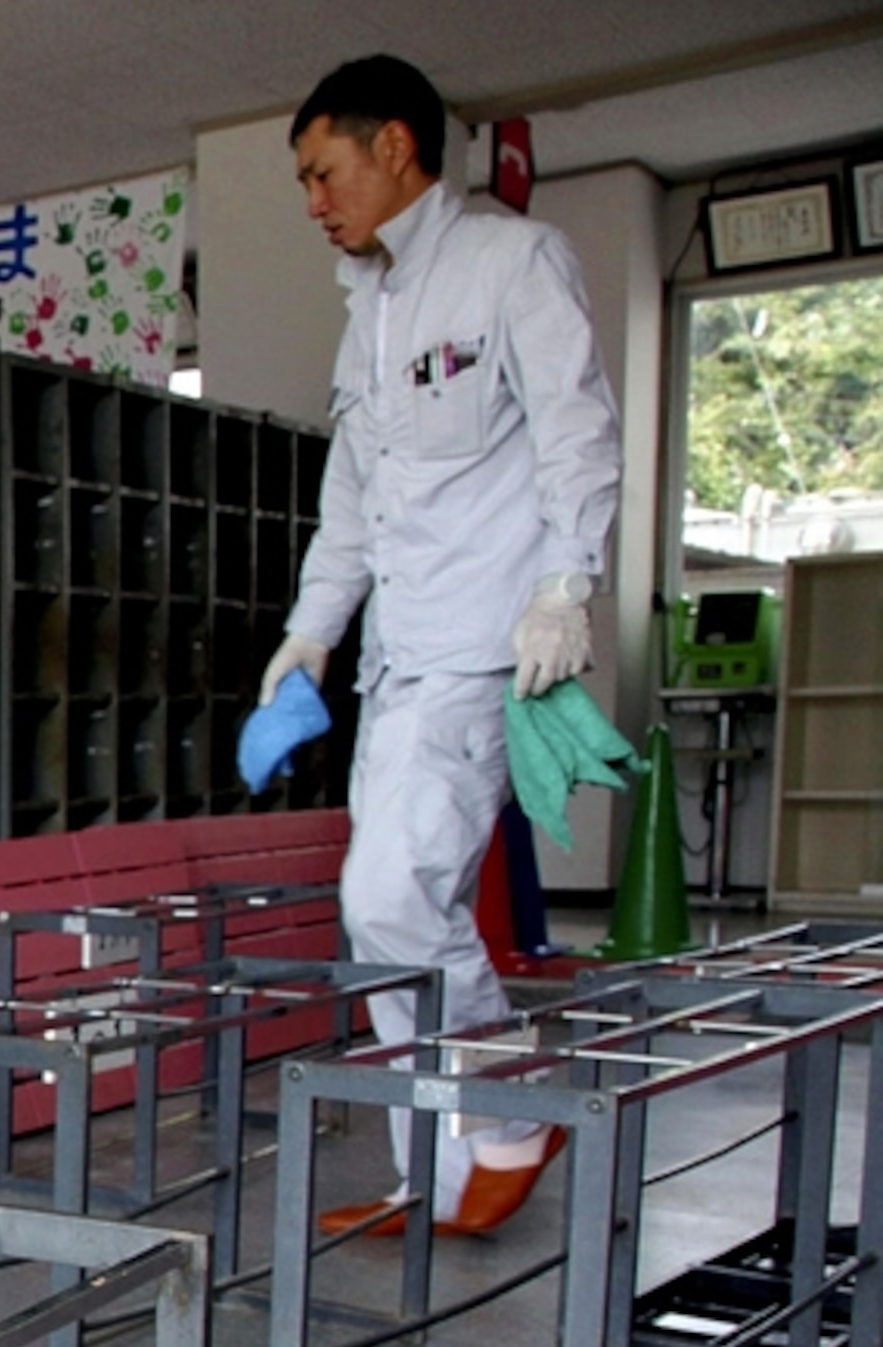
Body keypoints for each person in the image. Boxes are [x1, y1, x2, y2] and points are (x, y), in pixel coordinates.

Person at [262, 53, 621, 1237]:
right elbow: (352, 503)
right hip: (396, 661)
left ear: (396, 147)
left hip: (483, 645)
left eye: (324, 172)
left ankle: (510, 1102)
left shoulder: (512, 262)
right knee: (383, 925)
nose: (314, 199)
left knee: (394, 896)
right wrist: (310, 639)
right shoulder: (368, 307)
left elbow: (579, 432)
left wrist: (568, 586)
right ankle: (441, 1175)